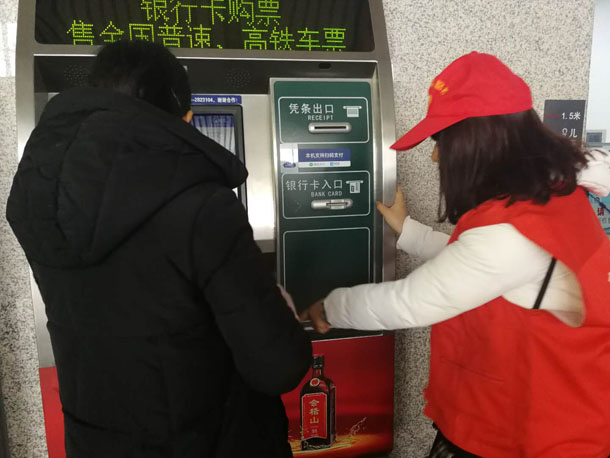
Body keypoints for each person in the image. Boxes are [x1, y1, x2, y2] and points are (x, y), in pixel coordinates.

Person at [7, 41, 311, 457]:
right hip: (210, 440)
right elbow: (277, 367)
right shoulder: (203, 205)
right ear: (184, 119)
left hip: (96, 442)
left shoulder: (36, 201)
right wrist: (283, 311)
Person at [301, 52, 610, 457]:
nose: (435, 157)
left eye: (440, 142)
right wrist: (408, 231)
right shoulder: (552, 197)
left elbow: (406, 303)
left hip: (538, 438)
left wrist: (327, 307)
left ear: (476, 143)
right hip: (535, 415)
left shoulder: (509, 235)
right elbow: (477, 264)